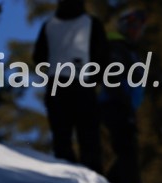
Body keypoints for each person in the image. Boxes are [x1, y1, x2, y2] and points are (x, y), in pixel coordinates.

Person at [33, 0, 108, 172]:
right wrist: (96, 78)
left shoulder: (49, 24)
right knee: (88, 136)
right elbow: (103, 55)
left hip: (56, 84)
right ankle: (92, 174)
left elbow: (38, 56)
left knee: (61, 137)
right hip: (82, 82)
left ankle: (65, 174)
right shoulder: (91, 23)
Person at [99, 8, 147, 183]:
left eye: (139, 28)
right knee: (127, 148)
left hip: (126, 105)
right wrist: (121, 99)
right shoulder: (116, 47)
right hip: (115, 103)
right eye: (133, 26)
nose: (136, 31)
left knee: (128, 148)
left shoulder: (130, 51)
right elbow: (111, 75)